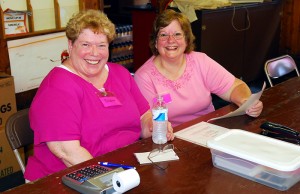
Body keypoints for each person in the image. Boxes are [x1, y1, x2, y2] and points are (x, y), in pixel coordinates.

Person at [24, 10, 174, 181]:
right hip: (69, 178)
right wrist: (111, 179)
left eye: (101, 45)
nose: (94, 53)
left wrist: (154, 126)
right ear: (71, 45)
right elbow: (68, 153)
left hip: (125, 166)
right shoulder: (57, 88)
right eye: (85, 45)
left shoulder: (120, 74)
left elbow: (143, 117)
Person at [134, 9, 263, 127]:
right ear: (155, 42)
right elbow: (148, 121)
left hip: (209, 130)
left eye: (177, 34)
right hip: (172, 139)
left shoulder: (200, 61)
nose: (170, 40)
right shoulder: (144, 77)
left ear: (186, 40)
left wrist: (246, 102)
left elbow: (235, 86)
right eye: (163, 35)